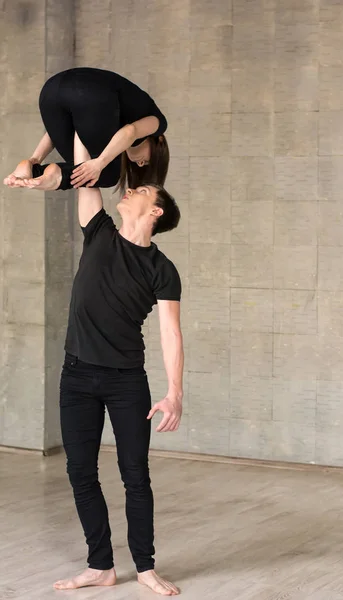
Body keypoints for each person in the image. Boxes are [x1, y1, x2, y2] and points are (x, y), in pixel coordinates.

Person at [53, 132, 183, 596]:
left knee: (135, 477)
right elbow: (83, 173)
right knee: (79, 471)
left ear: (156, 211)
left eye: (142, 191)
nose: (130, 189)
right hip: (76, 376)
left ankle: (145, 566)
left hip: (127, 381)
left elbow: (170, 332)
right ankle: (101, 565)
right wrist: (76, 122)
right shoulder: (99, 232)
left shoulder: (162, 269)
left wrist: (175, 391)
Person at [3, 67, 169, 192]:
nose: (140, 163)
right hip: (91, 94)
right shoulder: (159, 124)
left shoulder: (108, 125)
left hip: (51, 91)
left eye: (142, 165)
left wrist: (35, 158)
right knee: (109, 173)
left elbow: (57, 132)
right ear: (159, 140)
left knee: (82, 166)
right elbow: (130, 132)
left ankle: (33, 169)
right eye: (147, 160)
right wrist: (99, 163)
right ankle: (55, 176)